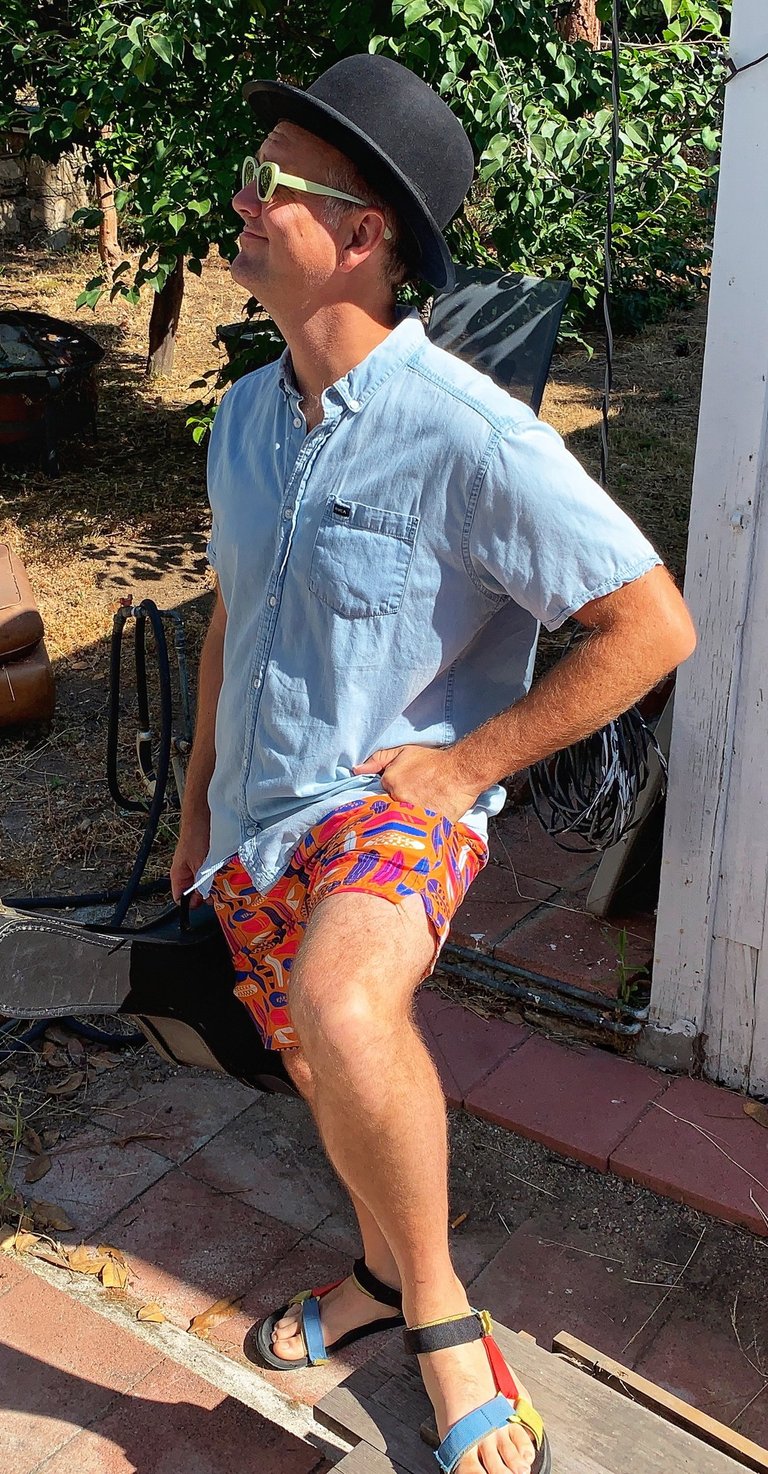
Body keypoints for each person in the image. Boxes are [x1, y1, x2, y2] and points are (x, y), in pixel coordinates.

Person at [170, 53, 696, 1474]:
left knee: (347, 1002)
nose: (239, 195)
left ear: (362, 233)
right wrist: (195, 795)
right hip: (257, 817)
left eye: (269, 179)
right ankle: (384, 1269)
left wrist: (468, 767)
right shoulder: (241, 420)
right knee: (325, 1062)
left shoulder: (471, 434)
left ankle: (443, 1311)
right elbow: (234, 614)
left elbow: (651, 625)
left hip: (395, 804)